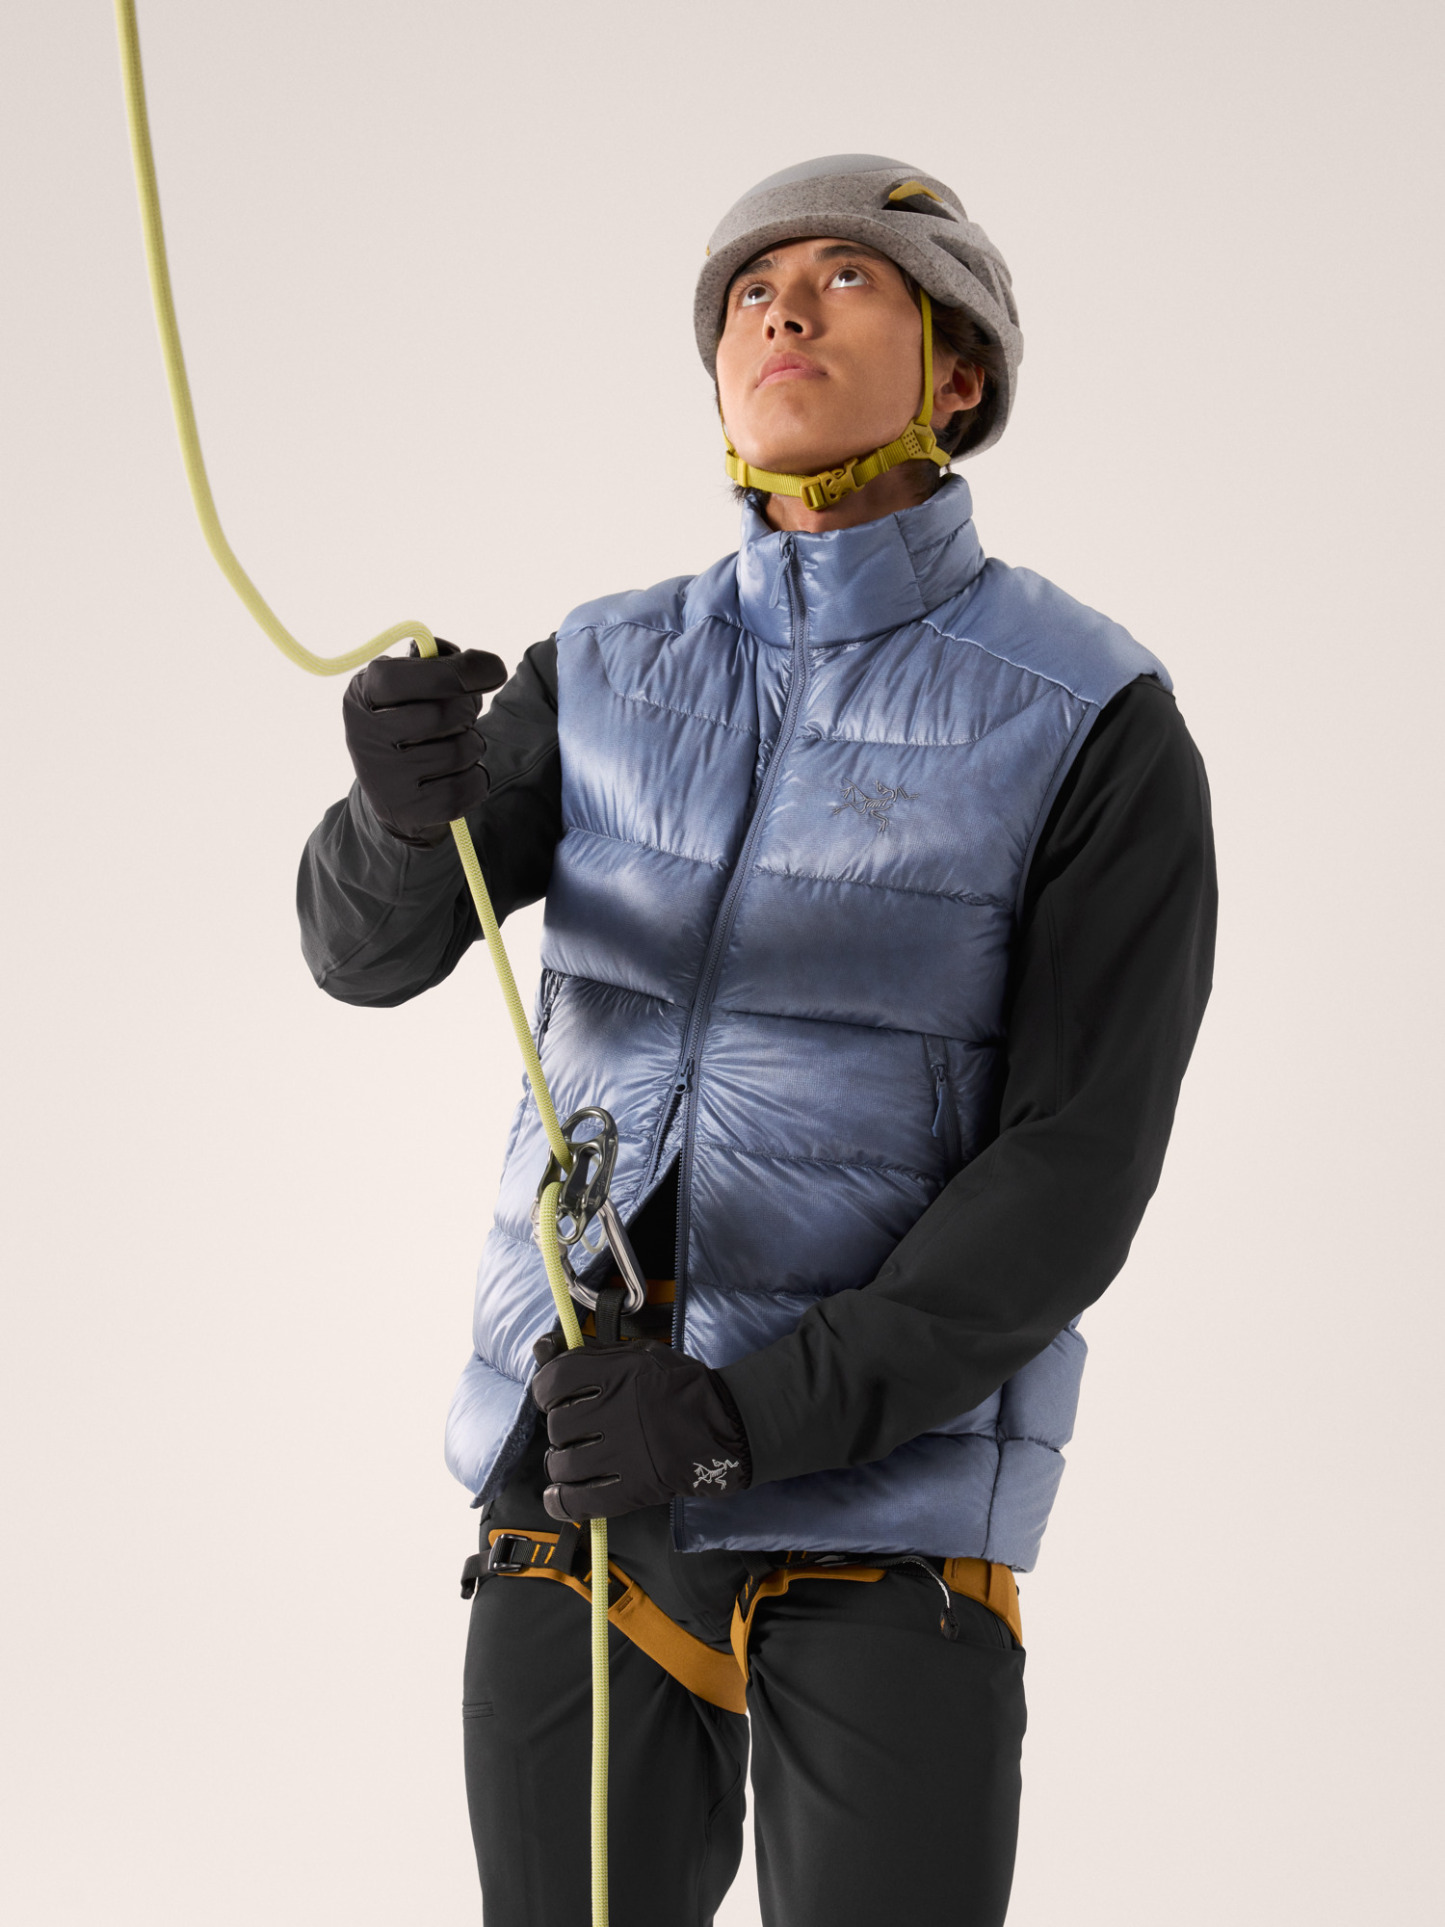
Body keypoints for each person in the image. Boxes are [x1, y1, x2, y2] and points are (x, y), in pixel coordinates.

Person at [298, 154, 1216, 1927]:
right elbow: (365, 956)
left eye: (850, 277)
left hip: (883, 1516)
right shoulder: (599, 667)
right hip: (573, 1483)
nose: (783, 306)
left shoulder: (1091, 717)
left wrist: (734, 1421)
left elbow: (1075, 1166)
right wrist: (391, 824)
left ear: (961, 373)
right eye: (748, 290)